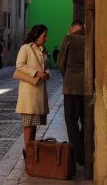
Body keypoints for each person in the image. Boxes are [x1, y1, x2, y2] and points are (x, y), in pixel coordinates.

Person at [15, 24, 50, 152]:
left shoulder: (43, 49)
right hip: (28, 90)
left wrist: (47, 74)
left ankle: (31, 148)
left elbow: (46, 67)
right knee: (28, 124)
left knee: (35, 123)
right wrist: (36, 72)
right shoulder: (26, 48)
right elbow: (19, 65)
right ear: (36, 35)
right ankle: (27, 150)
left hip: (40, 90)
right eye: (44, 36)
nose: (46, 38)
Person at [57, 20, 85, 165]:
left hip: (72, 87)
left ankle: (77, 155)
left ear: (73, 28)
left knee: (71, 120)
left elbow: (60, 63)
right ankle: (85, 152)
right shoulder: (90, 38)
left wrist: (68, 76)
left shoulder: (69, 39)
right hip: (87, 88)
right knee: (86, 122)